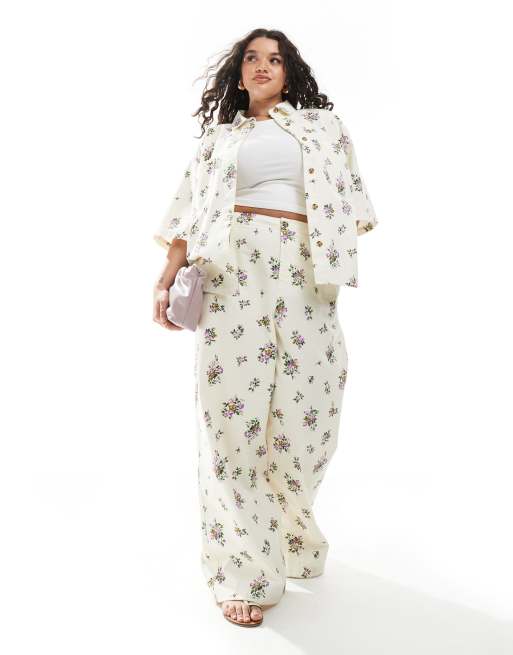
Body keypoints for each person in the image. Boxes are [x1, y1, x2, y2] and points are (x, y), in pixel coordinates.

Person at [152, 28, 378, 627]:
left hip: (305, 273)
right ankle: (244, 570)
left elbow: (352, 207)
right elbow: (186, 213)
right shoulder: (220, 139)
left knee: (310, 416)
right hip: (231, 271)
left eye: (273, 59)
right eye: (251, 58)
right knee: (230, 417)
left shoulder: (324, 128)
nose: (261, 66)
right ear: (238, 72)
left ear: (288, 71)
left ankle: (290, 533)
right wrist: (167, 277)